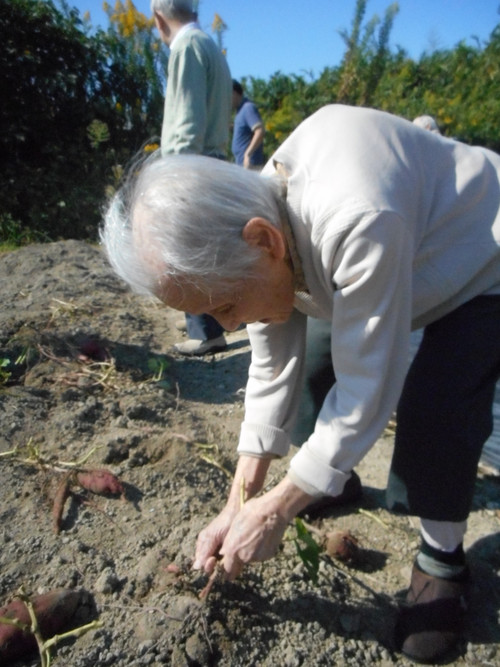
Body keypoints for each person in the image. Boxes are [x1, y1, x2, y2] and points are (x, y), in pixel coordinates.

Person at [101, 104, 500, 664]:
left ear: (264, 240)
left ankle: (441, 558)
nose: (231, 326)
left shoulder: (356, 217)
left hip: (477, 253)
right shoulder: (259, 219)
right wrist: (240, 501)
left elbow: (370, 383)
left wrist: (278, 508)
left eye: (227, 306)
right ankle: (330, 482)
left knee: (438, 404)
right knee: (313, 361)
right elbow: (271, 369)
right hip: (396, 253)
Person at [152, 0, 232, 355]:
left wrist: (174, 178)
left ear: (159, 19)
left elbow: (186, 122)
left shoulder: (186, 46)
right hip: (213, 160)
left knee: (187, 252)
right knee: (209, 253)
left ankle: (205, 333)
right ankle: (212, 327)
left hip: (193, 164)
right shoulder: (209, 44)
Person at [231, 80, 266, 169]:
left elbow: (259, 131)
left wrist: (248, 153)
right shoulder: (240, 111)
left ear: (234, 93)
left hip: (251, 166)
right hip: (242, 166)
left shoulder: (248, 108)